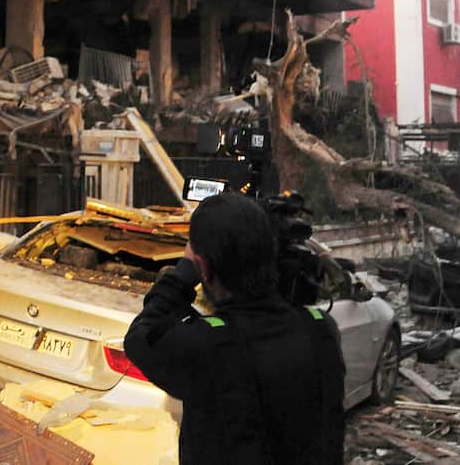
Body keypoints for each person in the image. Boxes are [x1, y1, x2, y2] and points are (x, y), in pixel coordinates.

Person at [124, 193, 345, 464]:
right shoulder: (321, 330)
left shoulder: (209, 346)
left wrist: (182, 274)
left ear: (203, 269)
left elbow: (141, 336)